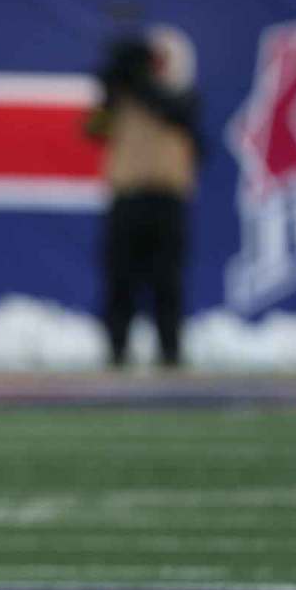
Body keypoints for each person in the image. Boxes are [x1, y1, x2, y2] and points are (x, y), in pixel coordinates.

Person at [86, 34, 200, 368]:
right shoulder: (121, 98)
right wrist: (110, 91)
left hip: (167, 199)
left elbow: (176, 111)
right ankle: (117, 350)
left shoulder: (182, 95)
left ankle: (170, 351)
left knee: (166, 280)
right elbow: (92, 130)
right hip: (127, 198)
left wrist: (139, 82)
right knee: (120, 280)